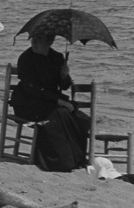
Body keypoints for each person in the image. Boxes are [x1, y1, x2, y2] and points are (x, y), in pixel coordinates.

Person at [11, 31, 90, 173]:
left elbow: (64, 86)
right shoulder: (26, 58)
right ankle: (61, 162)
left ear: (49, 42)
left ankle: (77, 159)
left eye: (39, 38)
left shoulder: (57, 57)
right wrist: (60, 101)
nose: (34, 42)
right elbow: (32, 89)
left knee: (79, 117)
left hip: (49, 101)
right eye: (33, 39)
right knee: (61, 114)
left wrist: (64, 76)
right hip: (28, 103)